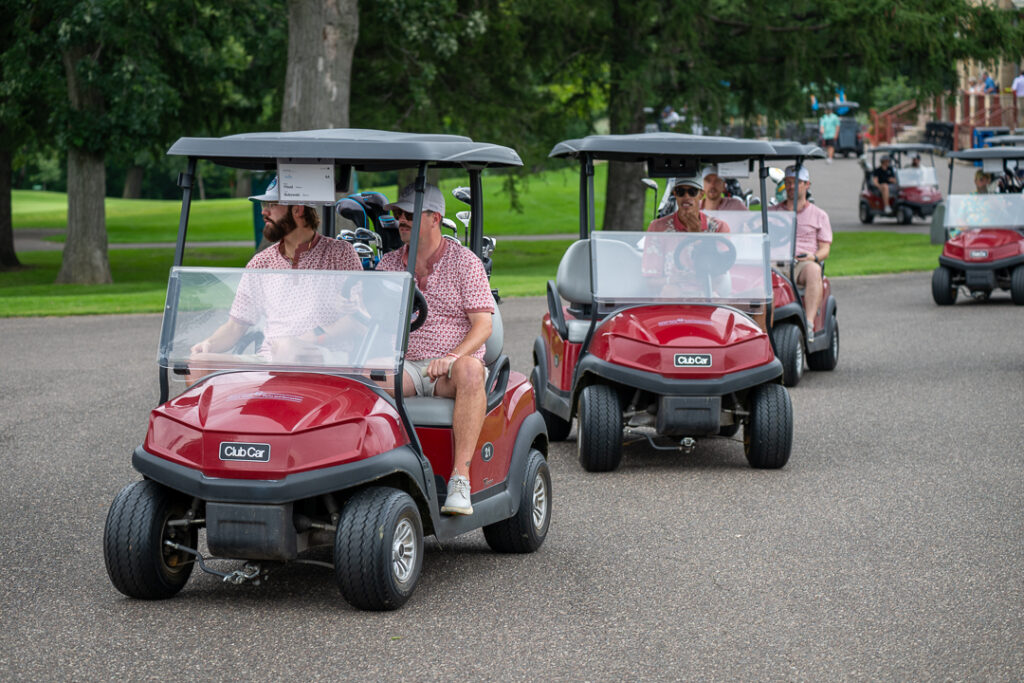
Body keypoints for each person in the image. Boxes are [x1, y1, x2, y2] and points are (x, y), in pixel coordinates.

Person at [376, 182, 494, 516]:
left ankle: (460, 479)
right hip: (407, 366)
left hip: (452, 369)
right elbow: (377, 321)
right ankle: (372, 471)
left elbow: (483, 325)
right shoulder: (388, 265)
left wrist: (453, 356)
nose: (401, 220)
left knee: (471, 370)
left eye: (410, 214)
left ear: (435, 218)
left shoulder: (464, 262)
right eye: (398, 214)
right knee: (365, 380)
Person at [188, 177, 363, 374]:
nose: (264, 212)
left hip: (325, 357)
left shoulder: (340, 254)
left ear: (298, 210)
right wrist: (209, 344)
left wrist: (313, 337)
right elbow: (236, 326)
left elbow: (358, 318)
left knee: (287, 348)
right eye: (264, 205)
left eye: (272, 205)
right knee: (199, 364)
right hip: (270, 358)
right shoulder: (261, 263)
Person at [770, 166, 832, 342]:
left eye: (796, 182)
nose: (791, 186)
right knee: (758, 275)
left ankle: (809, 325)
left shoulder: (819, 215)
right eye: (788, 182)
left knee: (814, 270)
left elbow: (825, 248)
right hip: (774, 262)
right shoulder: (772, 213)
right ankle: (765, 329)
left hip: (802, 263)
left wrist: (814, 257)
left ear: (807, 185)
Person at [647, 176, 730, 234]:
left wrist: (697, 237)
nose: (686, 196)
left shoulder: (718, 228)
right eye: (680, 191)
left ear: (701, 195)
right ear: (675, 194)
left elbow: (720, 255)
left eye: (692, 192)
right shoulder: (657, 227)